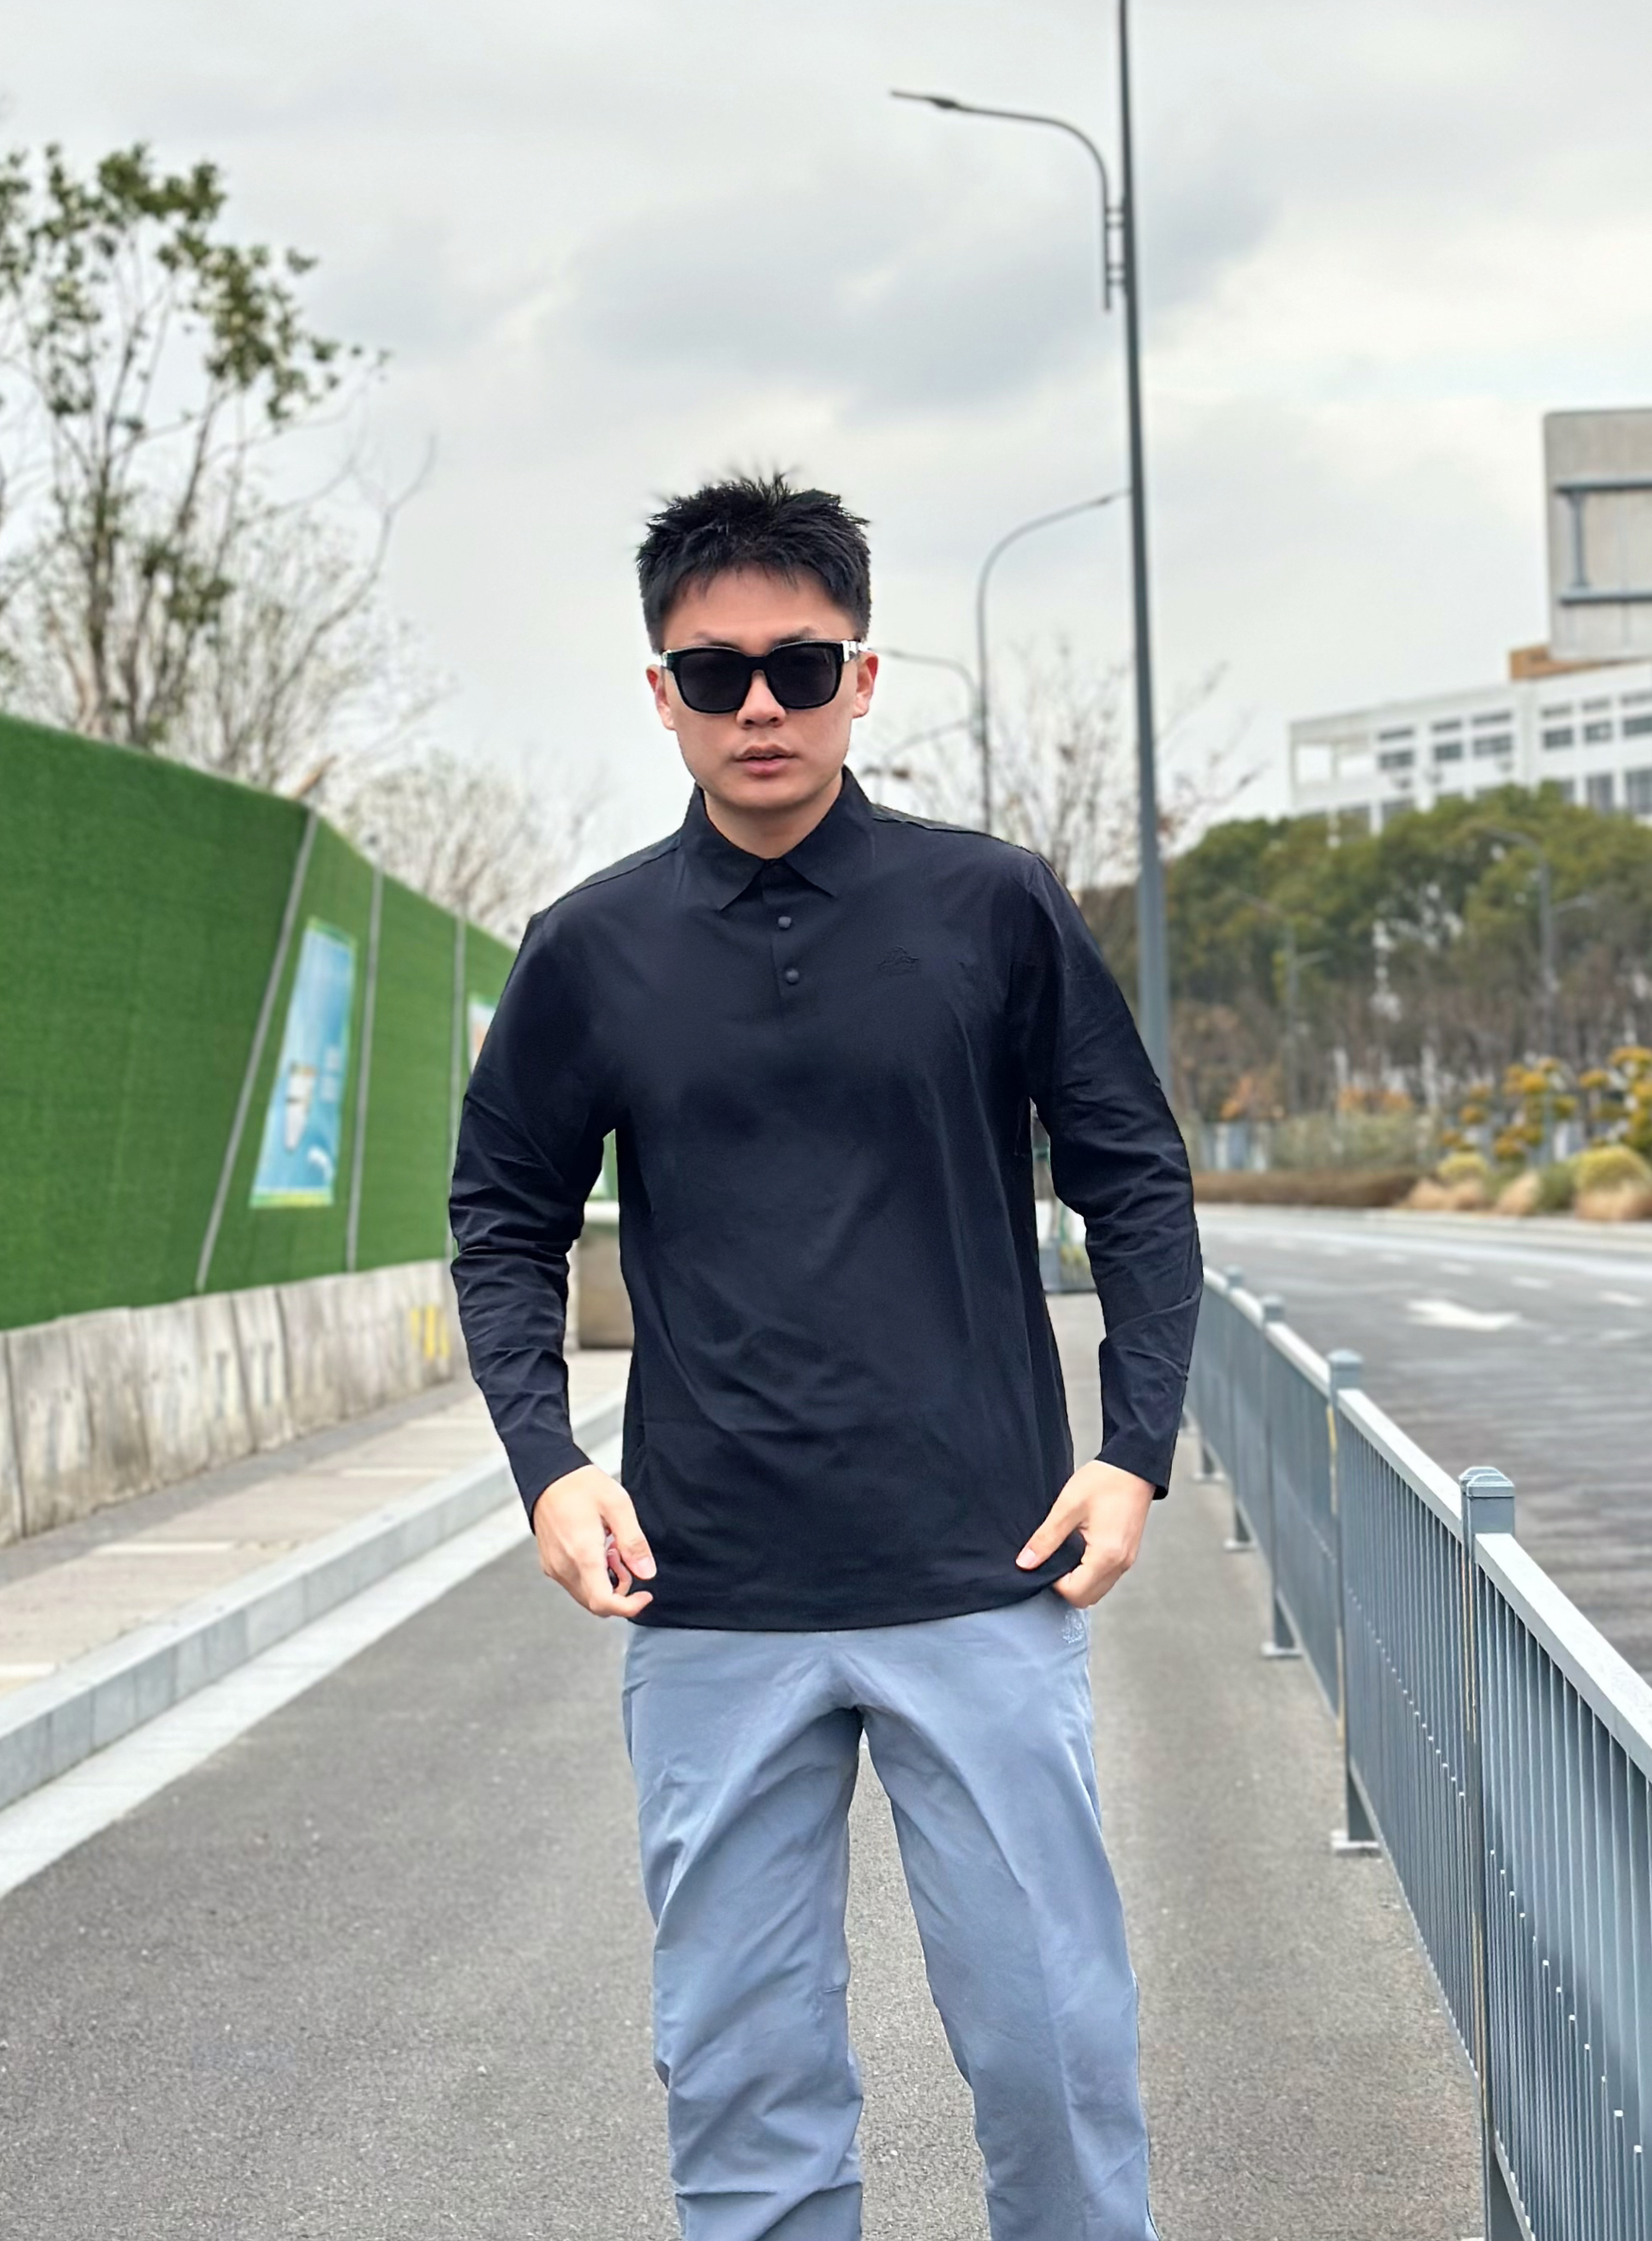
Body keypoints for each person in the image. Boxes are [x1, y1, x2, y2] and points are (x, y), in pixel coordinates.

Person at [450, 472, 1201, 2241]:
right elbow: (502, 1219)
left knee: (1053, 2058)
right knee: (744, 2087)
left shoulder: (991, 907)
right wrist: (549, 1466)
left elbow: (1134, 1180)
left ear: (863, 677)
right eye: (715, 676)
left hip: (981, 1568)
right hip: (709, 1592)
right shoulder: (591, 950)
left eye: (798, 667)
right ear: (662, 696)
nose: (760, 708)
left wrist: (1132, 1450)